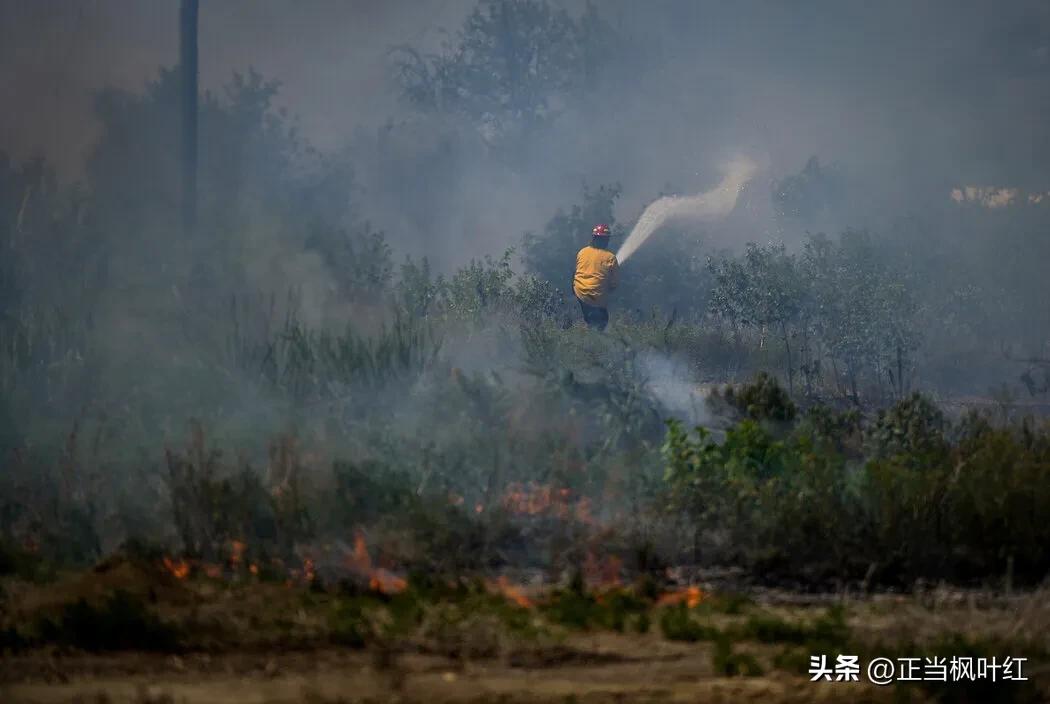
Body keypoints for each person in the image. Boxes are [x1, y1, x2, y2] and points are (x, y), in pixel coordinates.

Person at [572, 224, 619, 331]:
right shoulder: (611, 257)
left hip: (579, 292)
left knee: (590, 318)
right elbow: (614, 284)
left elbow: (576, 271)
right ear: (606, 240)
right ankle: (592, 340)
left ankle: (585, 329)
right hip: (597, 298)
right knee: (601, 323)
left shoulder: (582, 252)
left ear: (593, 238)